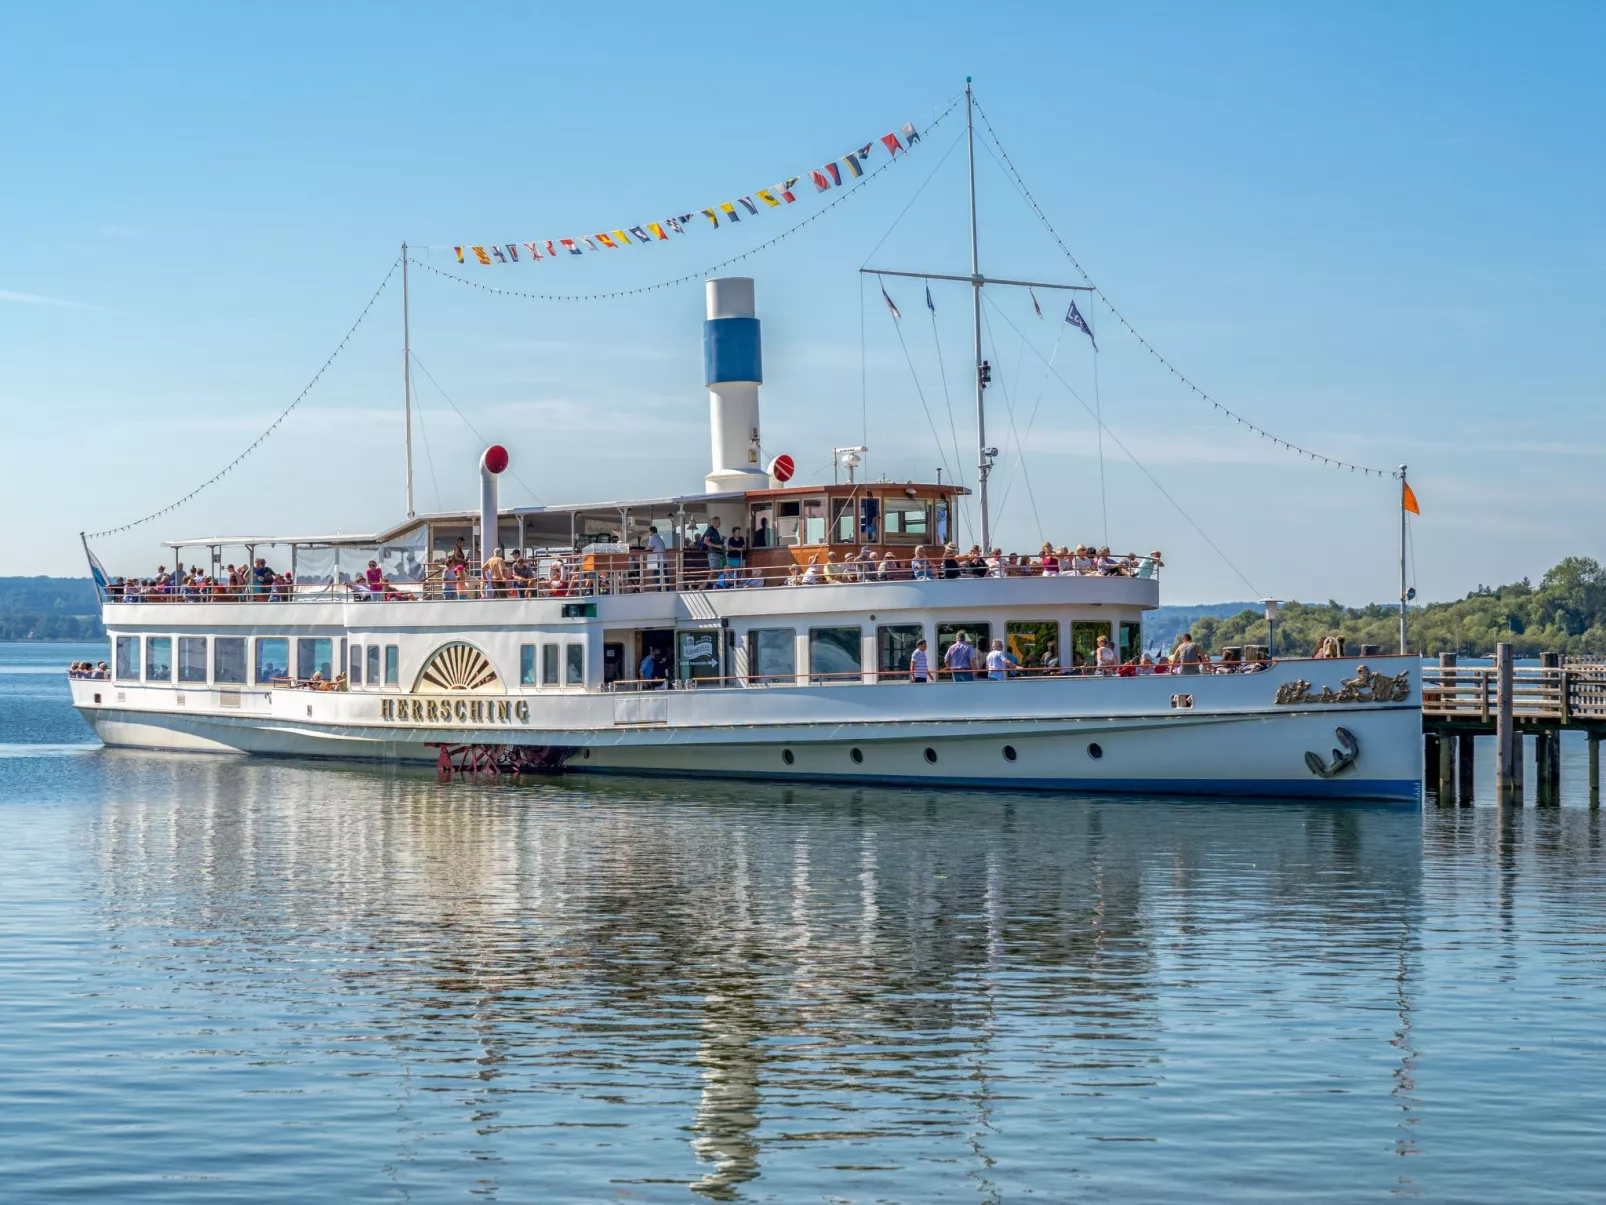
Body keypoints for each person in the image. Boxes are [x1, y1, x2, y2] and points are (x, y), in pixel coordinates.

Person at [699, 517, 725, 583]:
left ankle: (713, 584)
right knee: (713, 570)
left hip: (716, 553)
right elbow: (706, 541)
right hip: (712, 553)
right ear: (715, 522)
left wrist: (721, 541)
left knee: (715, 570)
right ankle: (707, 584)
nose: (720, 523)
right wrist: (717, 546)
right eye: (719, 522)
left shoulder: (715, 530)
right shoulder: (710, 530)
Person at [646, 525, 667, 590]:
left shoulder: (652, 537)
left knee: (656, 573)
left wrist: (645, 549)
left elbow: (650, 547)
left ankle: (659, 588)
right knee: (665, 573)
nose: (648, 533)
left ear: (651, 532)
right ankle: (667, 587)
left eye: (648, 532)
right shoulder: (659, 537)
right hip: (664, 558)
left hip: (658, 559)